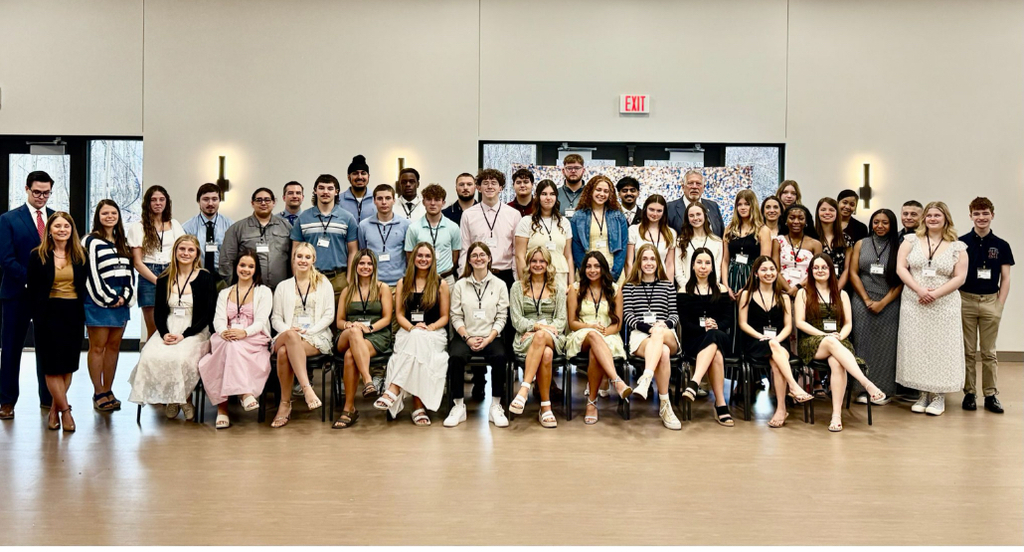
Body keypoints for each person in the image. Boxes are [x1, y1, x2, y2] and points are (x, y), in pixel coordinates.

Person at [127, 235, 216, 420]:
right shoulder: (164, 278)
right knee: (149, 356)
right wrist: (165, 333)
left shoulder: (205, 277)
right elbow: (159, 312)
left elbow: (208, 314)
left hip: (195, 330)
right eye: (181, 249)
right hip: (168, 327)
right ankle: (173, 399)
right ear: (175, 252)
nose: (185, 253)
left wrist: (185, 335)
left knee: (181, 358)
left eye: (190, 250)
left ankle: (183, 399)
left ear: (197, 253)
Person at [795, 254, 886, 432]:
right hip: (812, 342)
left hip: (839, 341)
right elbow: (800, 322)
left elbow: (848, 324)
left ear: (831, 270)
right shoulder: (803, 293)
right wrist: (825, 335)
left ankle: (836, 416)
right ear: (811, 271)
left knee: (837, 363)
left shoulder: (842, 294)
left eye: (824, 267)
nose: (820, 271)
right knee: (830, 342)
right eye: (816, 268)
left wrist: (839, 338)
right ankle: (867, 383)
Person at [896, 201, 968, 417]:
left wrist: (935, 293)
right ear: (923, 219)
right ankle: (922, 394)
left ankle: (938, 396)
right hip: (914, 301)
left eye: (937, 215)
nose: (933, 219)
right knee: (918, 347)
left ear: (946, 218)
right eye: (929, 216)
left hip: (944, 305)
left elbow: (960, 277)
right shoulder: (910, 241)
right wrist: (919, 290)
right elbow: (901, 267)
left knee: (941, 349)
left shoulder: (958, 246)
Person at [373, 242, 450, 426]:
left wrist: (429, 328)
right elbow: (399, 314)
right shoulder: (403, 282)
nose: (423, 259)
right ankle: (417, 406)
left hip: (434, 333)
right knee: (416, 344)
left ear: (432, 260)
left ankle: (394, 388)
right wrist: (412, 328)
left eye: (427, 256)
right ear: (413, 258)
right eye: (420, 255)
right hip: (407, 332)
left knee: (419, 344)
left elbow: (445, 317)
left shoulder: (441, 284)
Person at [0, 171, 56, 418]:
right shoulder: (9, 219)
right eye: (37, 192)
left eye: (46, 192)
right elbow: (5, 259)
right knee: (11, 348)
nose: (41, 197)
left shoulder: (57, 219)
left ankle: (48, 398)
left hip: (49, 296)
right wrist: (31, 280)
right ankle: (6, 401)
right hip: (17, 294)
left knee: (47, 348)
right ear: (27, 189)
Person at [198, 250, 273, 429]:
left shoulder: (263, 292)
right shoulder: (225, 292)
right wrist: (224, 332)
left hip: (253, 337)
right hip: (227, 335)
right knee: (228, 346)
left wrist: (244, 333)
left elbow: (262, 321)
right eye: (242, 265)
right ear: (236, 267)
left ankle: (222, 410)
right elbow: (218, 320)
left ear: (256, 270)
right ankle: (244, 393)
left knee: (231, 348)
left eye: (250, 266)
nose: (245, 269)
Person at [27, 212, 87, 432]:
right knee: (51, 367)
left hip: (73, 314)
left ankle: (54, 409)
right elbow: (32, 291)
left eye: (66, 226)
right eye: (58, 226)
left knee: (67, 366)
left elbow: (84, 288)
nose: (62, 230)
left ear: (72, 230)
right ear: (49, 230)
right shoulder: (37, 255)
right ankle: (66, 412)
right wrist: (37, 316)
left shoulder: (81, 255)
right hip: (47, 314)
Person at [738, 256, 812, 428]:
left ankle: (781, 408)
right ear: (756, 273)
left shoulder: (784, 297)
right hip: (755, 343)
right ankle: (793, 388)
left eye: (772, 269)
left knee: (777, 362)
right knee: (776, 354)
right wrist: (761, 336)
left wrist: (776, 340)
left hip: (779, 343)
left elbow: (788, 327)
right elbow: (742, 323)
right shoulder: (746, 295)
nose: (769, 273)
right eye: (764, 270)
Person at [269, 243, 335, 428]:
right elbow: (276, 318)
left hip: (316, 335)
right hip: (287, 333)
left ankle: (284, 404)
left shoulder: (324, 284)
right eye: (299, 256)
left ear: (313, 259)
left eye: (307, 257)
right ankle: (307, 389)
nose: (303, 260)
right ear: (294, 258)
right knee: (290, 337)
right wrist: (290, 330)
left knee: (283, 353)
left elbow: (329, 315)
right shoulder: (283, 286)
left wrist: (309, 331)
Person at [445, 242, 510, 428]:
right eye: (474, 255)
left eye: (483, 255)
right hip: (466, 335)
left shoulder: (500, 285)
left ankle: (496, 405)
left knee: (499, 356)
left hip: (491, 335)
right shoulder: (460, 285)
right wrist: (467, 337)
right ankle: (458, 406)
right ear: (469, 260)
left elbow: (501, 316)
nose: (479, 258)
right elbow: (455, 316)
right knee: (456, 356)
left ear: (489, 258)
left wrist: (489, 338)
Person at [959, 197, 1013, 414]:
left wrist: (999, 304)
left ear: (992, 215)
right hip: (966, 301)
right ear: (970, 215)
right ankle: (969, 393)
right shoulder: (961, 243)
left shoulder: (1001, 245)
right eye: (977, 213)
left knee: (989, 352)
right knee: (968, 352)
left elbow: (1006, 278)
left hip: (991, 301)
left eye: (985, 213)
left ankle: (990, 394)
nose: (981, 218)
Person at [565, 252, 632, 425]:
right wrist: (591, 328)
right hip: (581, 334)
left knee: (597, 349)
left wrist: (604, 332)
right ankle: (616, 381)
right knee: (594, 336)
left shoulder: (615, 290)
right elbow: (572, 323)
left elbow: (617, 324)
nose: (592, 270)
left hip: (608, 334)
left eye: (596, 266)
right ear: (583, 269)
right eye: (588, 266)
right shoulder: (575, 289)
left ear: (603, 268)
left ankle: (591, 403)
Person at [621, 244, 682, 429]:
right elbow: (628, 316)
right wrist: (649, 328)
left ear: (658, 262)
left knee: (661, 337)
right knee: (662, 352)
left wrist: (664, 325)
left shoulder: (667, 286)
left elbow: (674, 314)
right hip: (641, 336)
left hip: (666, 332)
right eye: (645, 259)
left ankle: (646, 377)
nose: (649, 263)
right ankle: (665, 406)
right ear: (639, 261)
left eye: (653, 259)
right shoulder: (630, 287)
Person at [332, 249, 393, 429]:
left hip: (376, 334)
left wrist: (370, 327)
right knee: (354, 332)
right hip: (347, 334)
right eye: (361, 263)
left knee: (351, 356)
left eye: (369, 264)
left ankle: (348, 409)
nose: (365, 267)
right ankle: (368, 380)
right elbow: (339, 321)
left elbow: (387, 318)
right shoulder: (347, 291)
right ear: (355, 265)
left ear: (374, 266)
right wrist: (351, 326)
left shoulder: (382, 288)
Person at [84, 200, 135, 412]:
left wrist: (125, 296)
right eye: (105, 213)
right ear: (98, 216)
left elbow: (130, 273)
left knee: (114, 347)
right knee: (97, 347)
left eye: (113, 212)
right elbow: (90, 274)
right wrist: (109, 297)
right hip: (98, 300)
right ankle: (98, 392)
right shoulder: (90, 241)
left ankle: (108, 389)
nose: (110, 216)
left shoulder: (123, 242)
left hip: (121, 301)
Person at [508, 246, 567, 428]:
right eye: (534, 261)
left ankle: (524, 390)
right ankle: (545, 407)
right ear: (528, 264)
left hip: (553, 336)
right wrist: (536, 327)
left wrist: (543, 330)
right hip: (525, 337)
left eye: (542, 261)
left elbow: (561, 320)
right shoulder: (518, 287)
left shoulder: (557, 288)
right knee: (546, 354)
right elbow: (516, 320)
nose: (538, 264)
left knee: (542, 337)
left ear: (548, 264)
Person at [849, 209, 902, 404]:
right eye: (876, 222)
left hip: (889, 302)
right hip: (862, 301)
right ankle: (862, 389)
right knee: (862, 345)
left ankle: (884, 390)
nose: (880, 226)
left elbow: (901, 280)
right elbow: (854, 273)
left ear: (892, 224)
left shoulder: (899, 246)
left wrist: (882, 303)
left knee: (886, 347)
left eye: (885, 222)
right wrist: (866, 299)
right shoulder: (861, 243)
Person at [677, 247, 736, 427]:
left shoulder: (722, 289)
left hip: (719, 336)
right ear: (693, 266)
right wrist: (704, 330)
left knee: (715, 335)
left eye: (707, 263)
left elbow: (728, 320)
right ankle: (720, 405)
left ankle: (694, 382)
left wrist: (717, 325)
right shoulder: (683, 290)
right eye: (699, 262)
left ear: (712, 267)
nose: (703, 266)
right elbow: (685, 323)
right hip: (694, 339)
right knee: (715, 353)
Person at [128, 185, 186, 339]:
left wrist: (172, 278)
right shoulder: (138, 227)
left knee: (172, 325)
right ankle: (148, 363)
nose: (158, 203)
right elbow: (137, 262)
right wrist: (158, 281)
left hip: (171, 273)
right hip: (148, 276)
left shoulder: (174, 224)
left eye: (161, 199)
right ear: (147, 203)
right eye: (153, 200)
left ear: (167, 202)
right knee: (154, 330)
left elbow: (182, 252)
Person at [291, 174, 359, 302]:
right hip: (310, 276)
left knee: (338, 319)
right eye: (321, 188)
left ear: (336, 192)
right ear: (315, 191)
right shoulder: (303, 218)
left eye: (330, 188)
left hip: (339, 278)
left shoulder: (347, 218)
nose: (325, 192)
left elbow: (353, 251)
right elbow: (295, 251)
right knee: (311, 317)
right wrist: (297, 278)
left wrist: (349, 280)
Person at [220, 187, 293, 290]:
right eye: (259, 200)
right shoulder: (237, 228)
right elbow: (226, 261)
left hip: (280, 290)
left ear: (274, 202)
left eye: (267, 200)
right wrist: (234, 287)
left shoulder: (286, 227)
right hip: (248, 291)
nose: (263, 203)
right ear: (252, 203)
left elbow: (293, 258)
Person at [460, 169, 522, 289]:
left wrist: (517, 279)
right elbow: (465, 249)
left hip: (505, 274)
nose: (489, 186)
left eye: (494, 183)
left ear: (501, 188)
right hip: (477, 273)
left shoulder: (513, 214)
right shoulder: (468, 214)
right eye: (485, 183)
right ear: (479, 187)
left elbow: (516, 251)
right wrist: (464, 277)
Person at [570, 175, 629, 283]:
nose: (602, 194)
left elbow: (623, 247)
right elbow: (577, 249)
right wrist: (586, 272)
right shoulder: (578, 217)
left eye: (606, 191)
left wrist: (613, 275)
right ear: (590, 191)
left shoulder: (618, 216)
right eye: (598, 190)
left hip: (613, 271)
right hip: (588, 271)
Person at [515, 180, 573, 288]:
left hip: (560, 276)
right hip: (534, 277)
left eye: (552, 194)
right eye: (544, 194)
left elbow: (568, 256)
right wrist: (524, 282)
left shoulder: (564, 222)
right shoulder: (526, 222)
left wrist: (571, 284)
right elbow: (520, 256)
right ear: (537, 196)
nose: (548, 198)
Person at [406, 184, 462, 287]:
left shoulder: (453, 227)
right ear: (423, 202)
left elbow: (455, 255)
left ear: (443, 203)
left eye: (437, 200)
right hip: (422, 279)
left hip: (447, 279)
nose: (432, 203)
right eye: (428, 199)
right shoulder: (413, 228)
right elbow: (410, 256)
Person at [722, 189, 770, 299]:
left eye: (747, 204)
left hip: (753, 277)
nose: (743, 208)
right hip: (731, 275)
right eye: (739, 204)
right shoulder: (729, 228)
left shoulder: (763, 230)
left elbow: (764, 262)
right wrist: (725, 286)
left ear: (753, 206)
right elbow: (725, 260)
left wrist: (747, 287)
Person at [181, 182, 233, 284]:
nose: (210, 203)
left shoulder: (230, 226)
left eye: (214, 199)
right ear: (198, 201)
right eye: (206, 199)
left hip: (224, 279)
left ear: (219, 201)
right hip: (196, 278)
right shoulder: (187, 227)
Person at [358, 184, 409, 286]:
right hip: (372, 283)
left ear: (394, 200)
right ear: (374, 201)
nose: (384, 202)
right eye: (380, 198)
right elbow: (362, 252)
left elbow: (409, 256)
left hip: (399, 283)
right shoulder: (364, 225)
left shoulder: (405, 225)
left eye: (388, 198)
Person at [772, 204, 822, 297]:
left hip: (807, 292)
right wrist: (789, 290)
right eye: (792, 218)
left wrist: (798, 288)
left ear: (806, 221)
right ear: (786, 221)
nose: (796, 221)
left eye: (801, 218)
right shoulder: (778, 241)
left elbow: (817, 271)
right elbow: (775, 269)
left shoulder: (815, 244)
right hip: (782, 292)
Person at [674, 201, 723, 293]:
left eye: (698, 214)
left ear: (705, 216)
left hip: (710, 292)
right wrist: (689, 288)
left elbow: (717, 269)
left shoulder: (717, 242)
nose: (695, 218)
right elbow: (678, 270)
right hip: (687, 292)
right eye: (691, 215)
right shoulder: (680, 242)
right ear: (687, 219)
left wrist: (710, 288)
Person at [626, 194, 677, 283]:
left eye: (659, 211)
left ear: (664, 212)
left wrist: (670, 288)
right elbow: (629, 262)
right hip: (638, 281)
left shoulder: (671, 233)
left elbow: (670, 264)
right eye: (651, 210)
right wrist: (630, 284)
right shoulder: (633, 230)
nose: (655, 214)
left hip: (661, 283)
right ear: (645, 209)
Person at [666, 169, 724, 237]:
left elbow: (721, 234)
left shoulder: (713, 206)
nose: (694, 187)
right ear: (683, 187)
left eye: (698, 184)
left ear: (703, 188)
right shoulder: (669, 208)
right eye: (690, 183)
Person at [814, 197, 853, 288]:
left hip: (840, 287)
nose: (827, 213)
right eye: (823, 210)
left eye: (831, 210)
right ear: (818, 213)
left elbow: (847, 269)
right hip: (816, 287)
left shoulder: (846, 239)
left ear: (837, 213)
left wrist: (837, 289)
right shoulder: (811, 237)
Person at [338, 156, 376, 224]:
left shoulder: (376, 198)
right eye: (355, 173)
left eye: (363, 173)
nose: (360, 177)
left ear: (368, 176)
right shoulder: (338, 200)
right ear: (349, 177)